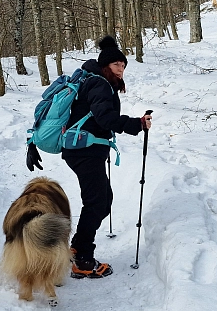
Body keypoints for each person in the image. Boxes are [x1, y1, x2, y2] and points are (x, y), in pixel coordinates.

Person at [33, 35, 151, 279]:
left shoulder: (92, 79)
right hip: (84, 152)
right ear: (106, 65)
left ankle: (78, 248)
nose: (121, 70)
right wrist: (137, 124)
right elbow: (105, 118)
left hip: (83, 150)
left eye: (123, 65)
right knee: (98, 201)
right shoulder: (98, 84)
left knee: (100, 199)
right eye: (117, 65)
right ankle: (82, 259)